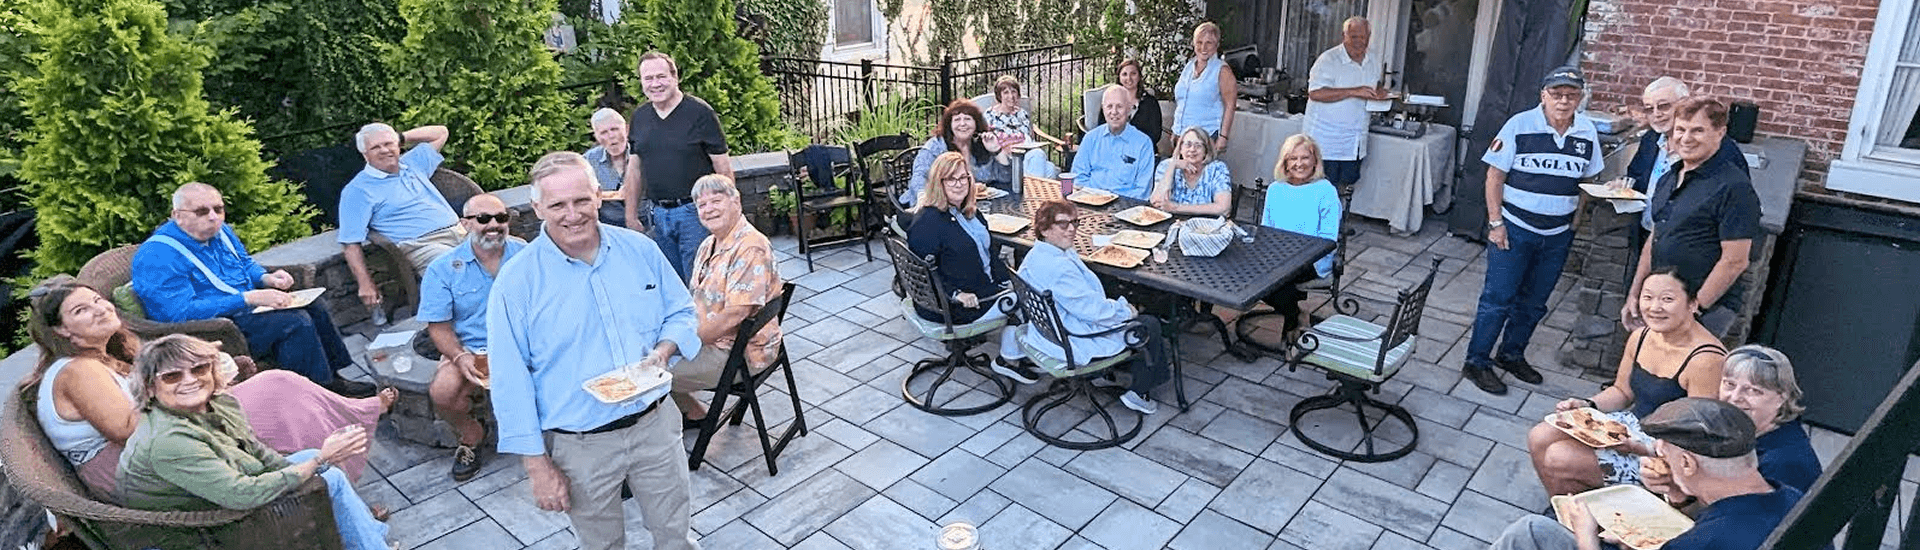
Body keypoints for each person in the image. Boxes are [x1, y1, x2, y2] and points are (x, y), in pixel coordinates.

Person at [488, 152, 703, 550]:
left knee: (675, 535)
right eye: (557, 205)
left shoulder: (640, 250)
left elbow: (681, 310)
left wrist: (663, 350)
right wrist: (536, 466)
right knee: (600, 545)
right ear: (537, 208)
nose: (572, 214)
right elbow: (509, 380)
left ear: (598, 196)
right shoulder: (516, 283)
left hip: (654, 426)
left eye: (581, 200)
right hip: (580, 444)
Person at [22, 277, 394, 500]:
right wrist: (202, 384)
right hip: (133, 465)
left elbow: (158, 380)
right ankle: (340, 459)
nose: (100, 309)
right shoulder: (78, 371)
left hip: (164, 438)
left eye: (98, 300)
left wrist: (201, 368)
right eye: (81, 311)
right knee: (277, 391)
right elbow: (126, 430)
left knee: (278, 391)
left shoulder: (112, 349)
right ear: (62, 332)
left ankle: (333, 485)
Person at [117, 334, 391, 550]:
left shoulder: (219, 403)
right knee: (326, 474)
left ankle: (367, 538)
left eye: (199, 368)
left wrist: (306, 466)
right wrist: (317, 462)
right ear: (150, 388)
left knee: (320, 469)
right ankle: (368, 539)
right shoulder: (168, 441)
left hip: (218, 494)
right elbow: (241, 495)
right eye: (172, 376)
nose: (190, 380)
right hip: (203, 528)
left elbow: (255, 449)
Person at [132, 183, 375, 397]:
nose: (213, 217)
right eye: (201, 211)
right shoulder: (158, 256)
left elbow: (244, 263)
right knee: (293, 322)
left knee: (313, 305)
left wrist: (267, 278)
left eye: (218, 209)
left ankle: (335, 379)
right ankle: (312, 392)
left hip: (246, 308)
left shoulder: (221, 231)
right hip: (210, 328)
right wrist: (248, 298)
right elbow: (178, 313)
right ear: (177, 215)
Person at [1490, 398, 1825, 550]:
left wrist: (1586, 533)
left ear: (1688, 464)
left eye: (1663, 451)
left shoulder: (1708, 541)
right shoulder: (1787, 494)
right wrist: (1677, 497)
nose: (1656, 455)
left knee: (1530, 531)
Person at [1463, 65, 1605, 395]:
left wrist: (1576, 220)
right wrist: (1495, 223)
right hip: (1514, 229)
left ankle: (1511, 354)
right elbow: (1494, 178)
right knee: (1498, 299)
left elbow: (1588, 182)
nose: (1563, 101)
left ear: (1580, 98)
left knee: (1535, 302)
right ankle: (1477, 362)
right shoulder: (1519, 125)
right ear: (1543, 95)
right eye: (1556, 94)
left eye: (1571, 95)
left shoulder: (1586, 132)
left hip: (1557, 235)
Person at [1527, 268, 1725, 496]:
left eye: (1667, 299)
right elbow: (1622, 391)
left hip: (1665, 452)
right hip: (1631, 425)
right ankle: (1567, 508)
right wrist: (1586, 404)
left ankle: (1580, 516)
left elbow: (1695, 437)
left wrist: (1639, 448)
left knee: (1559, 456)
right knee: (1539, 436)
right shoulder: (1640, 336)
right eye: (1647, 297)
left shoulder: (1706, 360)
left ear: (1692, 304)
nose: (1654, 307)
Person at [1623, 97, 1760, 337]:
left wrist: (1693, 310)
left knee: (1680, 374)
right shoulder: (1670, 177)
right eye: (1680, 130)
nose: (1686, 138)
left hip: (1705, 310)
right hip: (1662, 302)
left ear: (1720, 133)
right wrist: (1635, 294)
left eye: (1698, 130)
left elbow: (1735, 261)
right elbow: (1654, 239)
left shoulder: (1734, 187)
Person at [1019, 200, 1171, 414]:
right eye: (1063, 225)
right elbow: (1092, 310)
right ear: (1044, 229)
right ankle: (1139, 391)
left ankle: (1115, 373)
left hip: (1047, 331)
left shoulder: (1037, 254)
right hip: (1072, 340)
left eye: (1074, 222)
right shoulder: (1059, 267)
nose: (1071, 229)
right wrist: (1126, 311)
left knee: (1115, 291)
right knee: (1149, 325)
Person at [417, 193, 525, 482]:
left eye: (501, 218)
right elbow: (438, 326)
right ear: (465, 224)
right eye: (483, 219)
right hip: (472, 347)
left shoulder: (525, 254)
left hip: (523, 343)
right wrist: (459, 356)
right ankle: (472, 436)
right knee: (442, 391)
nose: (494, 225)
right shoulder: (442, 269)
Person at [907, 152, 1037, 383]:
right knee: (1029, 302)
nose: (959, 184)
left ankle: (1018, 352)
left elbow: (989, 254)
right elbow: (922, 275)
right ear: (939, 183)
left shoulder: (970, 213)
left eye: (963, 177)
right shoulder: (928, 221)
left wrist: (1007, 280)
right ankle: (1009, 360)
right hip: (952, 306)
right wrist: (956, 295)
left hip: (981, 288)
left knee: (1032, 285)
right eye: (951, 179)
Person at [671, 174, 787, 427]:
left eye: (716, 200)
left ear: (737, 201)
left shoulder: (750, 247)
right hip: (712, 341)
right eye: (702, 205)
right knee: (641, 349)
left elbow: (735, 315)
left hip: (738, 354)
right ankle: (695, 415)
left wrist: (681, 344)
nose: (709, 209)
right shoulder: (708, 244)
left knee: (648, 378)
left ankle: (658, 444)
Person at [1639, 345, 1819, 507]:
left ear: (1782, 398)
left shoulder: (1782, 462)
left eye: (1753, 390)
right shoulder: (1736, 433)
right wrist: (1673, 487)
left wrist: (1680, 496)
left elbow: (1739, 523)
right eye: (1729, 384)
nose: (1735, 397)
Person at [622, 51, 734, 282]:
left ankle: (704, 320)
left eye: (661, 77)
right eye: (648, 78)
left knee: (699, 281)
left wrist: (730, 211)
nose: (655, 84)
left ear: (675, 77)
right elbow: (634, 169)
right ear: (641, 82)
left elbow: (722, 166)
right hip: (658, 215)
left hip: (695, 212)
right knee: (671, 281)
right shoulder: (640, 117)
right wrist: (631, 215)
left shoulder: (700, 113)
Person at [1610, 78, 1748, 262]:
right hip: (1646, 237)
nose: (1656, 114)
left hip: (1689, 252)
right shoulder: (1650, 140)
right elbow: (1636, 176)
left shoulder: (1720, 150)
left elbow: (1732, 209)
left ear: (1685, 105)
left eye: (1664, 106)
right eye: (1649, 109)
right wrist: (1623, 186)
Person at [338, 122, 459, 316]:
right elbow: (350, 243)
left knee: (515, 252)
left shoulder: (413, 162)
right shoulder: (357, 191)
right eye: (376, 147)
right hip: (422, 245)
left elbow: (441, 132)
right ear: (365, 154)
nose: (385, 150)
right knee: (458, 272)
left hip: (462, 232)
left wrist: (400, 137)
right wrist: (365, 283)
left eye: (389, 144)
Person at [1258, 134, 1343, 338]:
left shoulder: (1325, 191)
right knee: (1249, 277)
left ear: (1315, 161)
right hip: (1278, 258)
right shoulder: (1275, 189)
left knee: (1278, 282)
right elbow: (1266, 230)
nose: (1299, 164)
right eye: (1293, 158)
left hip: (1313, 260)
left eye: (1305, 158)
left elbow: (1328, 239)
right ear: (1285, 162)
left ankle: (1291, 331)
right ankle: (1296, 314)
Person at [1304, 16, 1389, 192]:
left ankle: (1338, 217)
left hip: (1355, 139)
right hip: (1326, 139)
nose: (1359, 42)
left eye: (1363, 37)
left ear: (1369, 36)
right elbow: (1315, 93)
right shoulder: (1328, 60)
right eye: (1354, 37)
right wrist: (1353, 91)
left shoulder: (1373, 59)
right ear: (1344, 36)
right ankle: (1320, 219)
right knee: (1321, 186)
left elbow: (1375, 84)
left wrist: (1380, 92)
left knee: (1347, 183)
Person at [906, 99, 1011, 207]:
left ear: (976, 123)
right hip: (937, 205)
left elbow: (1005, 178)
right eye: (957, 120)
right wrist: (923, 200)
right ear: (949, 125)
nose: (962, 124)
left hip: (973, 206)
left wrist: (997, 150)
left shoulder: (982, 144)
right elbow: (919, 176)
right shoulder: (936, 146)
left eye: (967, 119)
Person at [1071, 86, 1157, 200]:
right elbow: (1078, 177)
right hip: (1090, 201)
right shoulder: (1091, 138)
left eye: (1119, 106)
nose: (1114, 112)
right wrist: (1095, 197)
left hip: (1125, 207)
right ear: (1103, 109)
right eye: (1109, 106)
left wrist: (1113, 201)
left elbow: (1142, 191)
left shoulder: (1143, 144)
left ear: (1129, 108)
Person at [1172, 21, 1238, 151]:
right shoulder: (1189, 66)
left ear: (1217, 45)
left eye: (1209, 43)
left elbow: (1230, 105)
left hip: (1205, 138)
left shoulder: (1222, 70)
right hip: (1182, 136)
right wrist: (1175, 131)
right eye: (1199, 42)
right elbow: (1182, 102)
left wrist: (1223, 137)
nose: (1203, 47)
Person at [982, 75, 1058, 178]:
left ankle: (1030, 191)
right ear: (999, 96)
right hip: (1006, 159)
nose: (1011, 96)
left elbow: (1028, 136)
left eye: (1013, 92)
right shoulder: (990, 115)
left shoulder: (1022, 113)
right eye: (1006, 93)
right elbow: (986, 139)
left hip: (1026, 155)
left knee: (1050, 168)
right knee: (1043, 161)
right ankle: (1033, 192)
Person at [1149, 127, 1233, 216]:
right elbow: (1156, 202)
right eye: (1188, 145)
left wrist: (1176, 208)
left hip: (1206, 226)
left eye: (1198, 145)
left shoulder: (1217, 168)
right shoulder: (1167, 165)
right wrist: (1172, 167)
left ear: (1206, 150)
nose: (1192, 149)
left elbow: (1223, 207)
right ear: (1180, 148)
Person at [583, 107, 643, 228]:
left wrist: (634, 188)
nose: (611, 136)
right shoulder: (588, 160)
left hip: (646, 220)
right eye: (603, 133)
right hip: (609, 225)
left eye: (615, 129)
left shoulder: (643, 152)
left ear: (626, 129)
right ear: (596, 136)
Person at [1117, 58, 1164, 147]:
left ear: (1139, 76)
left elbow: (1155, 134)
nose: (1129, 78)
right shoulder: (1111, 100)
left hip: (1143, 150)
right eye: (1124, 74)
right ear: (1119, 77)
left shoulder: (1150, 103)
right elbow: (1103, 127)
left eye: (1133, 74)